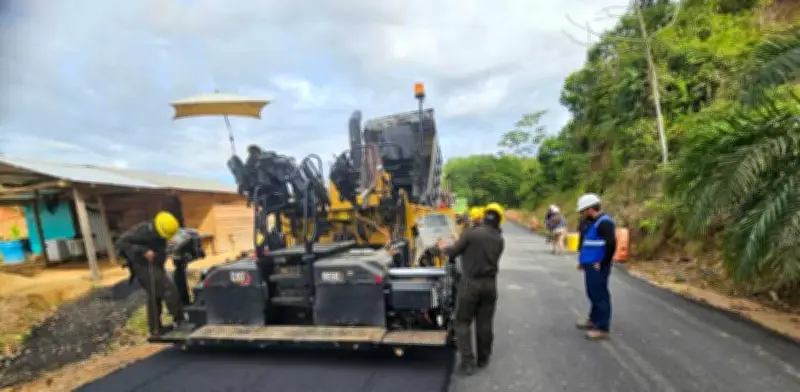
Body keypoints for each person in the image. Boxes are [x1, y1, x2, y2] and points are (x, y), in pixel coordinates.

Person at [439, 202, 505, 376]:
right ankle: (483, 358)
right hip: (490, 285)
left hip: (471, 284)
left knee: (462, 322)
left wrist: (443, 247)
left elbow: (453, 253)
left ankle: (467, 362)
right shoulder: (499, 239)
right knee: (484, 323)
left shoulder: (471, 234)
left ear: (484, 216)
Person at [115, 211, 186, 335]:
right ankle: (180, 321)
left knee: (155, 295)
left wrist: (167, 246)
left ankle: (155, 329)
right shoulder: (142, 231)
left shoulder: (159, 232)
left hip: (155, 264)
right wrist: (144, 250)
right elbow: (121, 243)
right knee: (169, 289)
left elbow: (160, 243)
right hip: (142, 265)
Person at [575, 193, 616, 340]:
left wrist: (603, 262)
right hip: (589, 263)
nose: (583, 213)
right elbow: (585, 242)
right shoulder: (588, 222)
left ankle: (602, 327)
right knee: (592, 293)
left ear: (590, 208)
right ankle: (593, 320)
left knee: (600, 295)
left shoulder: (605, 222)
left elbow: (611, 245)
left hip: (599, 265)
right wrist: (582, 260)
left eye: (584, 210)